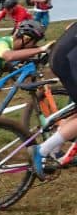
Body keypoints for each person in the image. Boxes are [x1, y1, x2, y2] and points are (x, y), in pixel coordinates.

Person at [31, 22, 77, 180]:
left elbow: (68, 26)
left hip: (62, 54)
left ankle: (55, 148)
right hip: (69, 61)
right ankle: (42, 150)